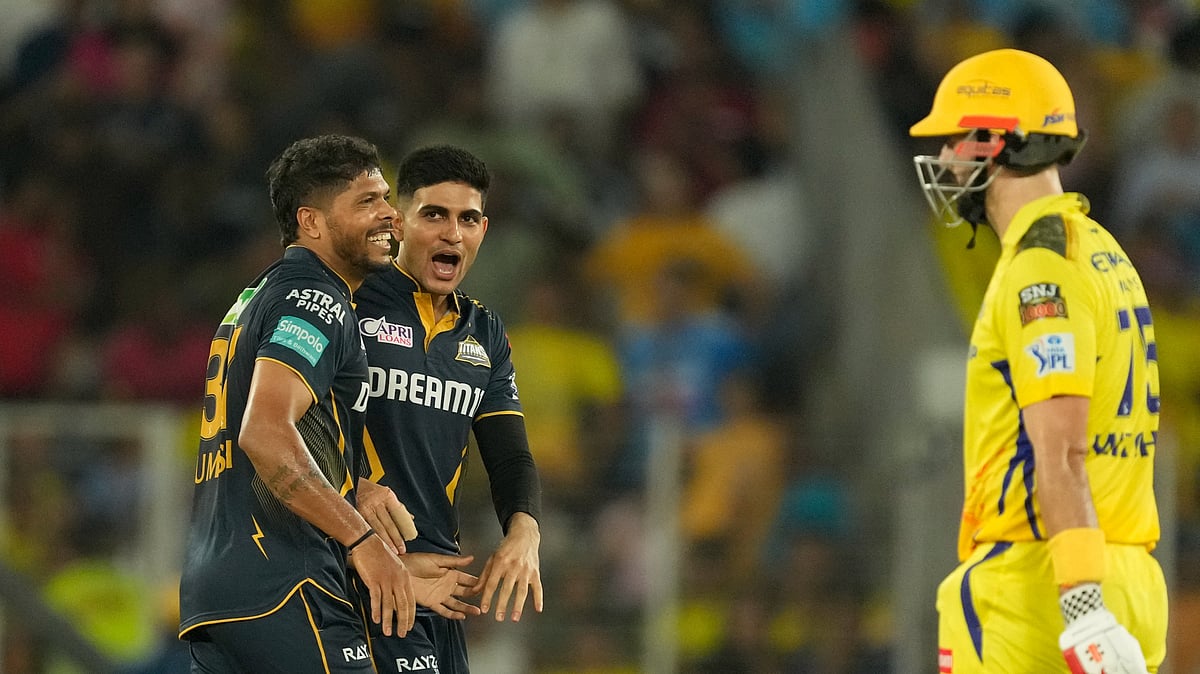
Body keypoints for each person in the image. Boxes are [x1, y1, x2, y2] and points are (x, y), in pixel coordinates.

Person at [909, 48, 1168, 673]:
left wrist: (1081, 604)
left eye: (955, 139)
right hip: (1128, 575)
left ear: (995, 140)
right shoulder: (1102, 250)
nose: (945, 159)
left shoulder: (1037, 272)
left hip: (1038, 584)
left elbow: (1060, 448)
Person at [178, 134, 416, 672]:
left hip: (222, 591)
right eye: (367, 202)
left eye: (386, 198)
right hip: (288, 580)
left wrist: (353, 482)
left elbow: (283, 424)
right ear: (311, 222)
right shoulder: (315, 298)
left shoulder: (257, 296)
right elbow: (264, 433)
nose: (389, 215)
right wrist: (361, 539)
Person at [353, 144, 544, 673]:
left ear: (484, 230)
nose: (452, 234)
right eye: (433, 214)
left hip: (441, 585)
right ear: (398, 222)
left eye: (468, 219)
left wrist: (524, 531)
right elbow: (295, 430)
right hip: (360, 572)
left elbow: (510, 458)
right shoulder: (350, 302)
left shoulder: (485, 333)